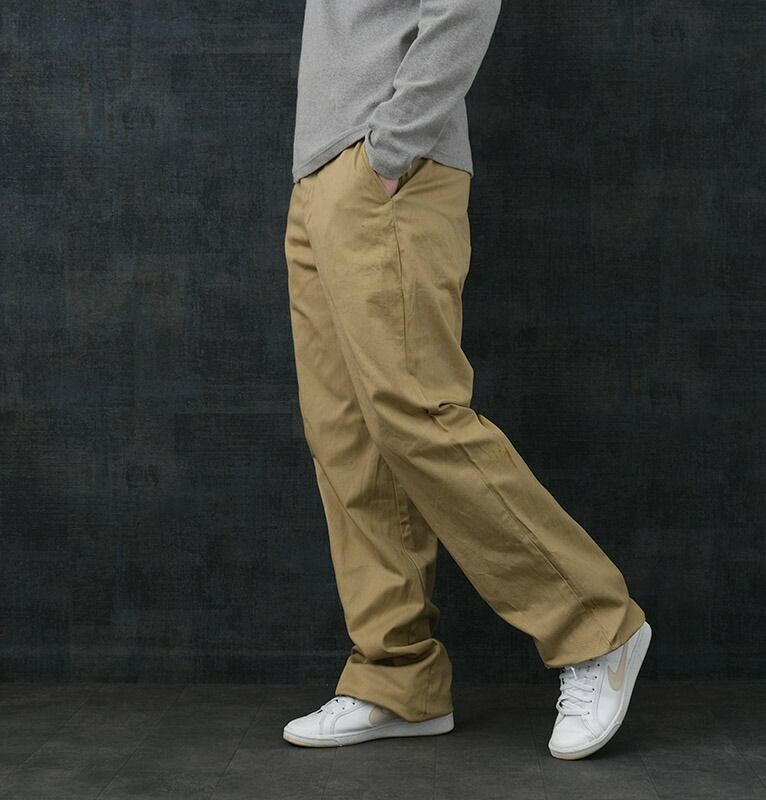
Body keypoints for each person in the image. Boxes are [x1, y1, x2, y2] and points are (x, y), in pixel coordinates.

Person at [281, 0, 652, 760]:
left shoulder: (391, 155)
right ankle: (398, 679)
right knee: (345, 437)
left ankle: (597, 628)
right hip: (319, 173)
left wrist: (393, 146)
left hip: (387, 165)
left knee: (416, 413)